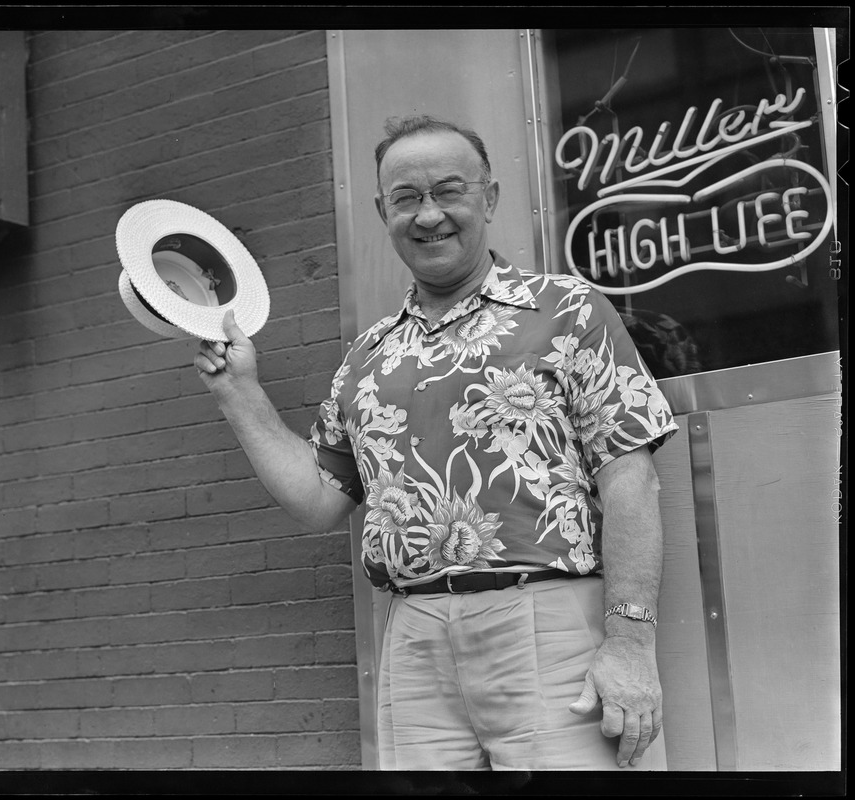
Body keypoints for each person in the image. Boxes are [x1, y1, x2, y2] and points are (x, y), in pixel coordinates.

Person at [195, 115, 678, 771]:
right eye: (406, 199)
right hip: (414, 636)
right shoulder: (366, 357)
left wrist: (629, 642)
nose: (428, 216)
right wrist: (238, 391)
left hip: (548, 624)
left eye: (448, 191)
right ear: (381, 211)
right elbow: (316, 501)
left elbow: (631, 481)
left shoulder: (566, 309)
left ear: (489, 197)